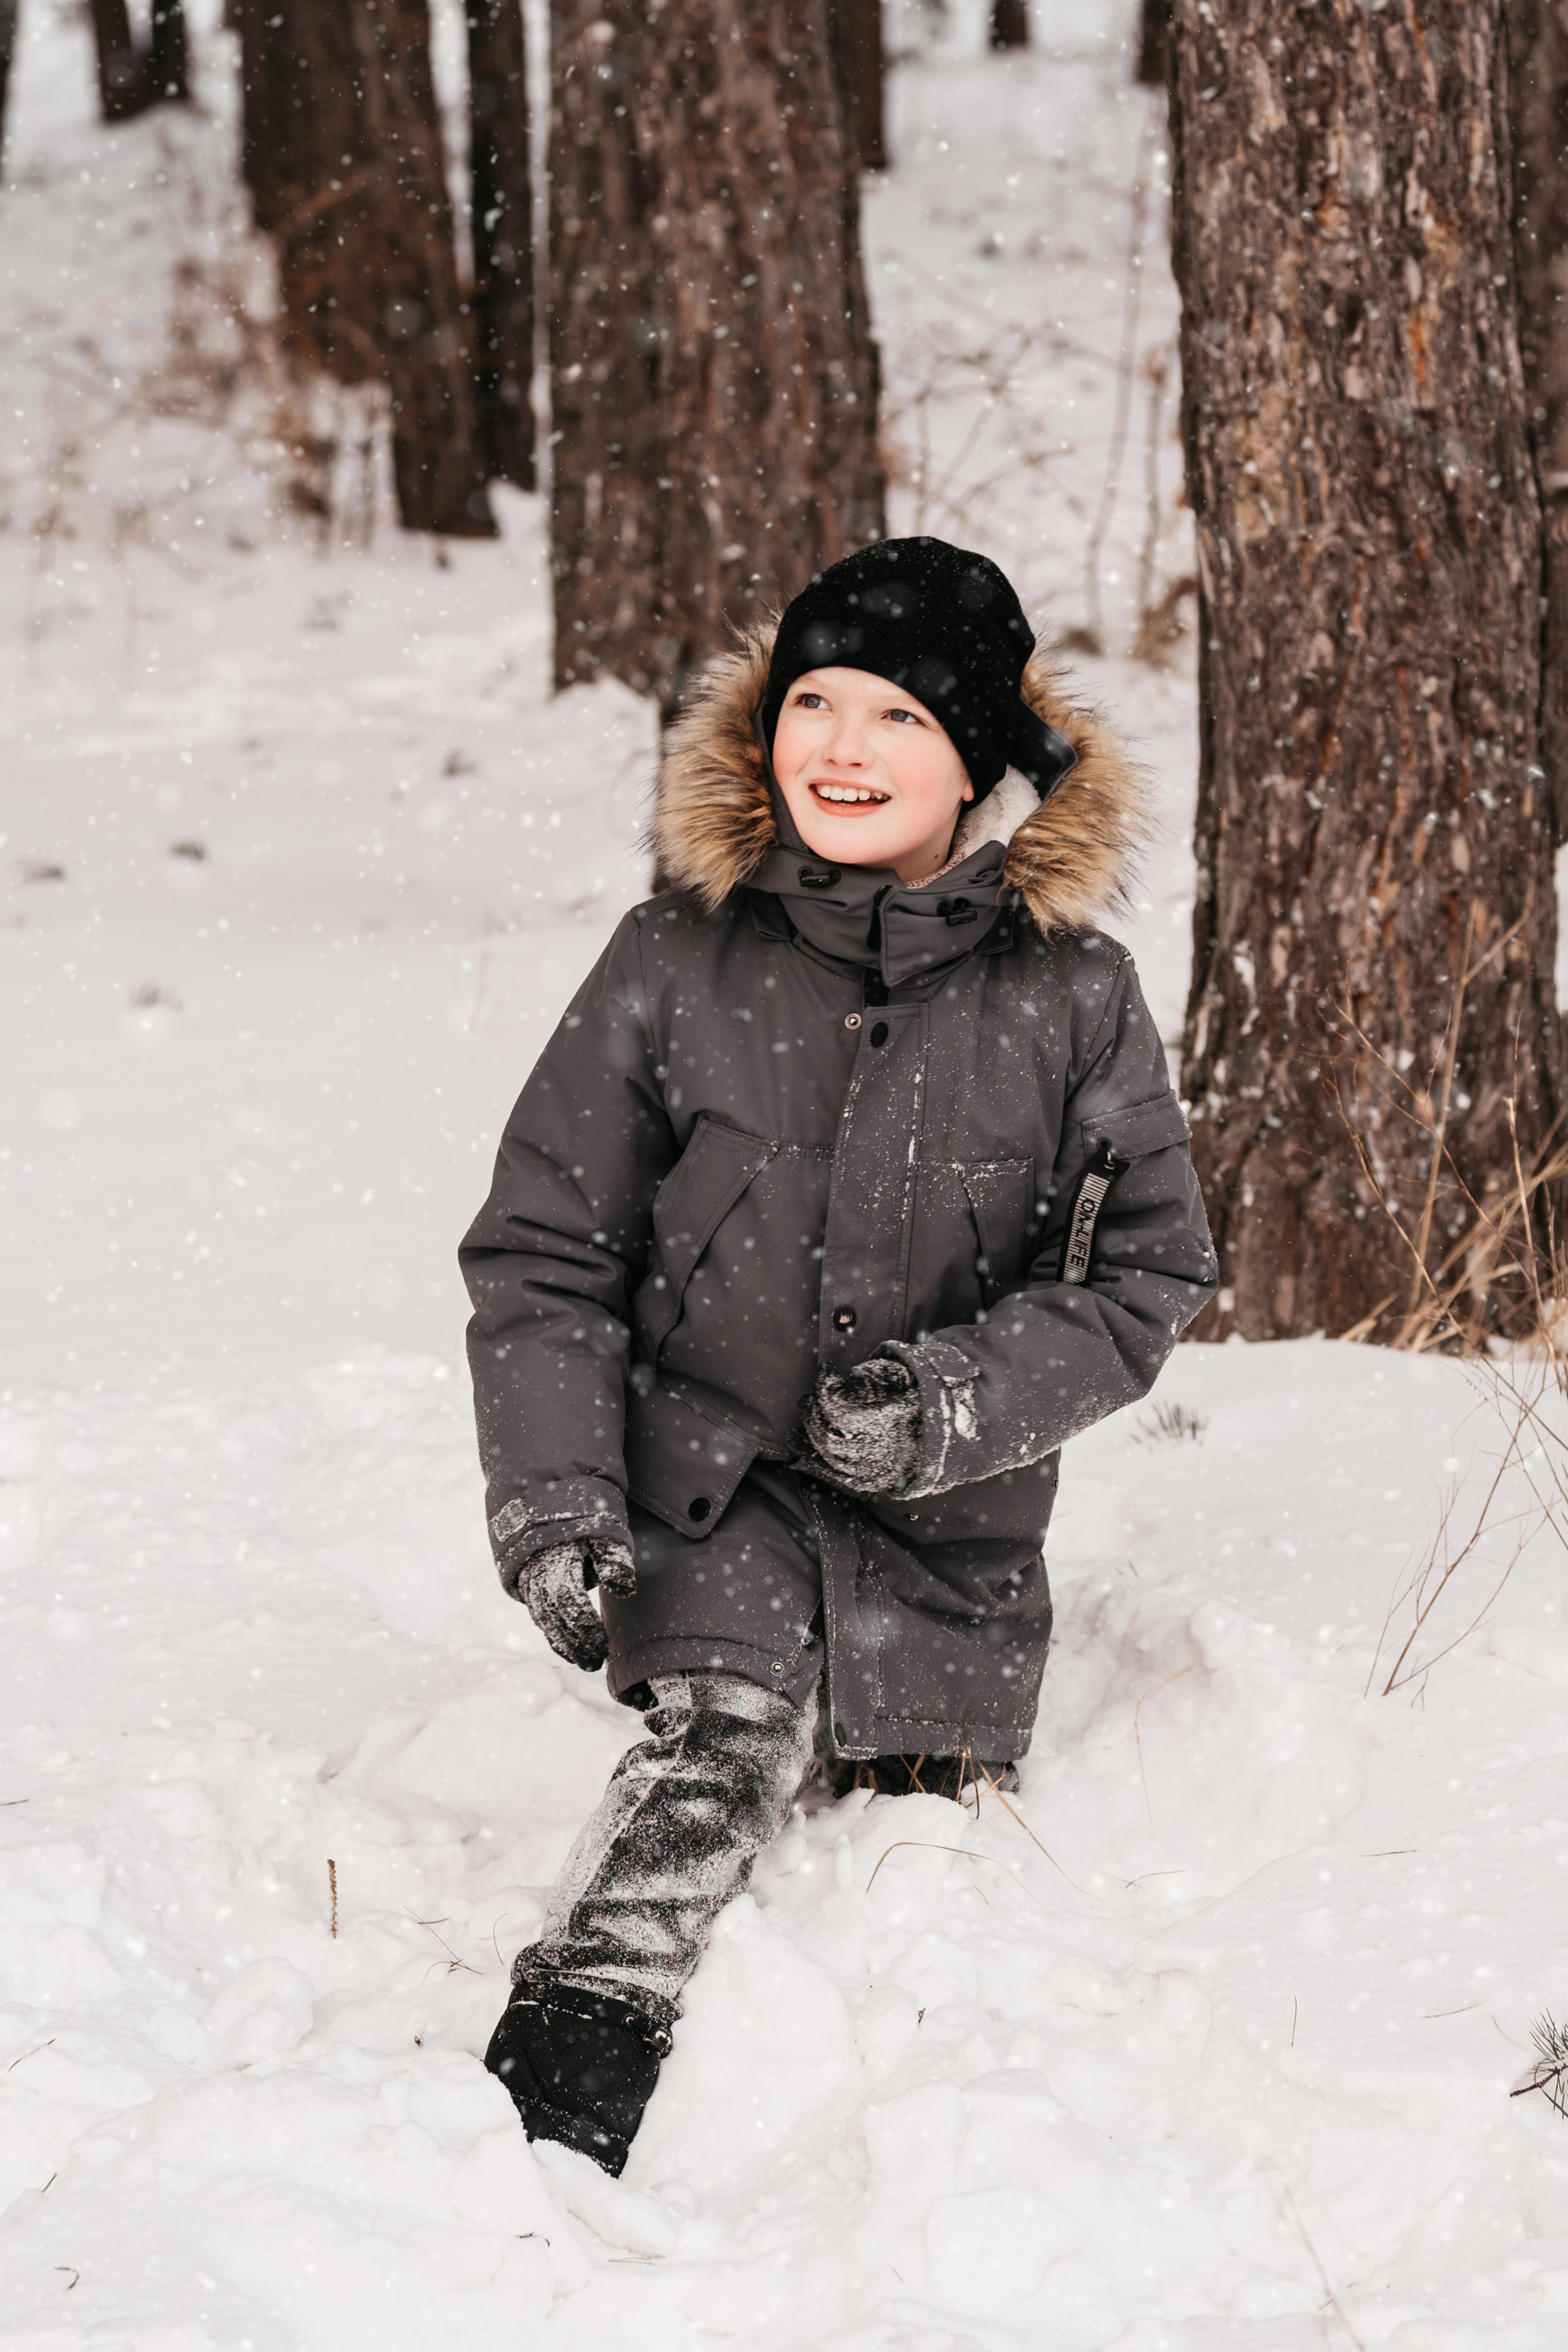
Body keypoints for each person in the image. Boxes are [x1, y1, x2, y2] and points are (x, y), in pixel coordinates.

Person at [459, 537, 1216, 2176]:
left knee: (921, 1843)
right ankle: (553, 2086)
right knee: (722, 1736)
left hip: (943, 1541)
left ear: (983, 765)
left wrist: (956, 1405)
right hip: (706, 1488)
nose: (844, 745)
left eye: (899, 715)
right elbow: (546, 1250)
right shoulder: (676, 957)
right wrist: (559, 1497)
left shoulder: (1071, 997)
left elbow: (1145, 1273)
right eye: (813, 699)